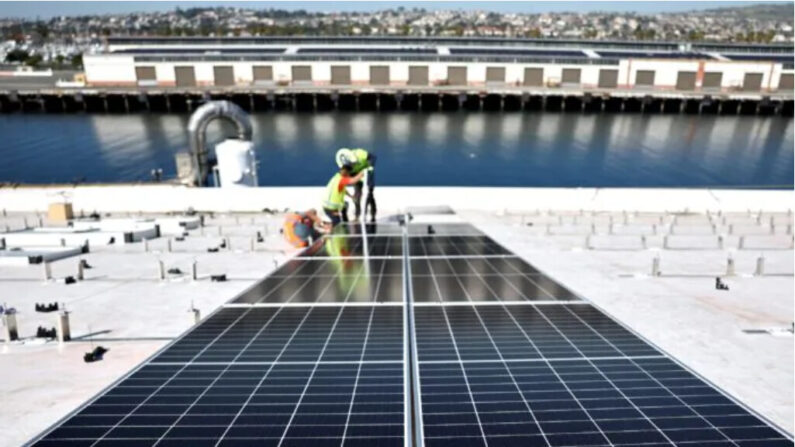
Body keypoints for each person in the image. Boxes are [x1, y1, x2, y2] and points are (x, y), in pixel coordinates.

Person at [335, 148, 377, 223]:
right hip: (355, 174)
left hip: (367, 171)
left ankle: (373, 215)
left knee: (370, 193)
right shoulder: (344, 164)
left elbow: (373, 157)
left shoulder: (360, 153)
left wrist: (370, 167)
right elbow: (345, 175)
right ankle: (357, 215)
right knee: (357, 196)